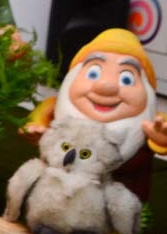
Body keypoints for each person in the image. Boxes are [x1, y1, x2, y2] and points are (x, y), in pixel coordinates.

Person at [23, 28, 167, 201]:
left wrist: (160, 140)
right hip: (59, 196)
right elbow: (34, 122)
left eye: (126, 79)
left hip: (119, 197)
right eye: (93, 73)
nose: (106, 87)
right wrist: (35, 129)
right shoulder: (53, 107)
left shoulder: (155, 122)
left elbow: (161, 137)